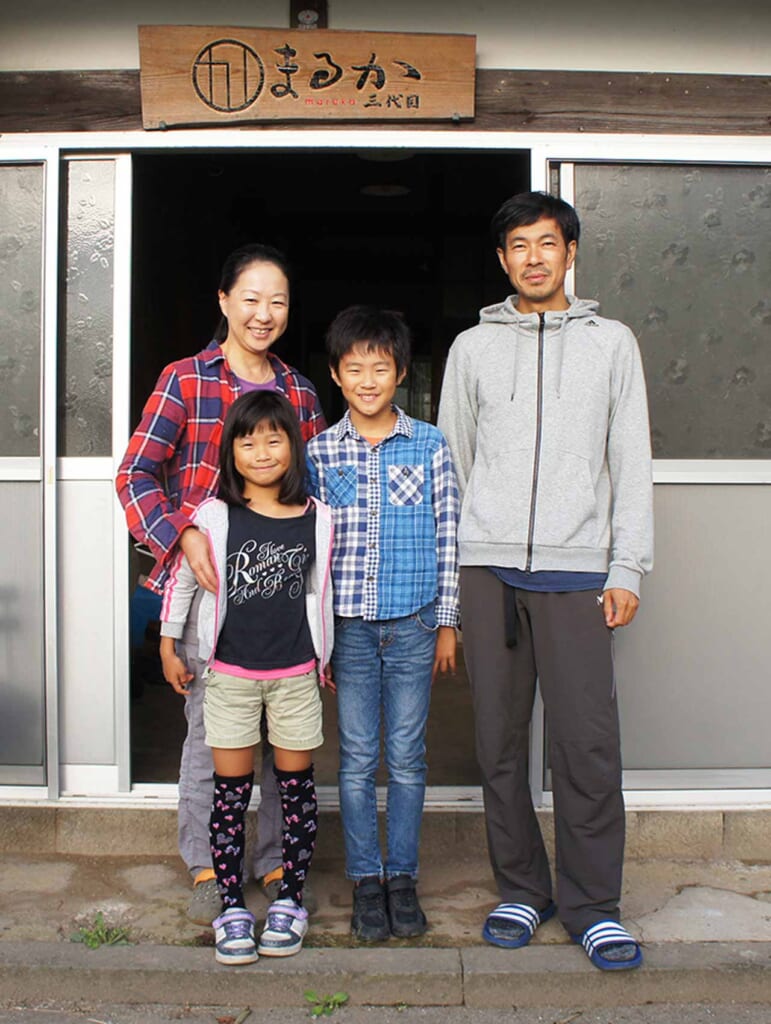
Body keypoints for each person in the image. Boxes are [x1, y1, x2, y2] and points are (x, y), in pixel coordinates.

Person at [437, 192, 653, 972]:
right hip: (487, 569)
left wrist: (626, 563)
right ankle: (523, 890)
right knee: (497, 744)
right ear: (502, 260)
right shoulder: (471, 348)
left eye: (547, 243)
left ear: (569, 254)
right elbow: (456, 466)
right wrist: (455, 584)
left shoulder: (610, 344)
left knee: (585, 746)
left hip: (575, 571)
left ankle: (593, 905)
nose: (532, 257)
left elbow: (629, 461)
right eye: (518, 245)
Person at [116, 243, 326, 925]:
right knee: (212, 739)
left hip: (280, 600)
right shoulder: (185, 379)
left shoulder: (297, 392)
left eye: (278, 301)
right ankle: (208, 863)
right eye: (251, 298)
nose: (264, 314)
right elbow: (135, 475)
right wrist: (182, 532)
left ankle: (270, 860)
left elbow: (314, 496)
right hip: (205, 597)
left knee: (277, 737)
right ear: (224, 302)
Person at [159, 390, 334, 964]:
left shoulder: (317, 518)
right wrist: (169, 642)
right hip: (229, 677)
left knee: (295, 793)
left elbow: (318, 593)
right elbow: (185, 582)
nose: (261, 450)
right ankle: (232, 905)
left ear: (293, 445)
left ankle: (290, 903)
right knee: (230, 796)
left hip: (295, 677)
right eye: (247, 439)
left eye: (274, 438)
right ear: (231, 450)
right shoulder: (213, 515)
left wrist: (322, 656)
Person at [306, 305, 460, 942]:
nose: (368, 379)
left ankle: (403, 877)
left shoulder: (429, 444)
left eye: (381, 367)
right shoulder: (318, 450)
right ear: (337, 377)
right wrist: (314, 640)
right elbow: (308, 549)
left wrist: (447, 621)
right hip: (349, 629)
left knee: (406, 754)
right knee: (357, 755)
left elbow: (449, 533)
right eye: (354, 368)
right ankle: (365, 880)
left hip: (415, 621)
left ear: (400, 373)